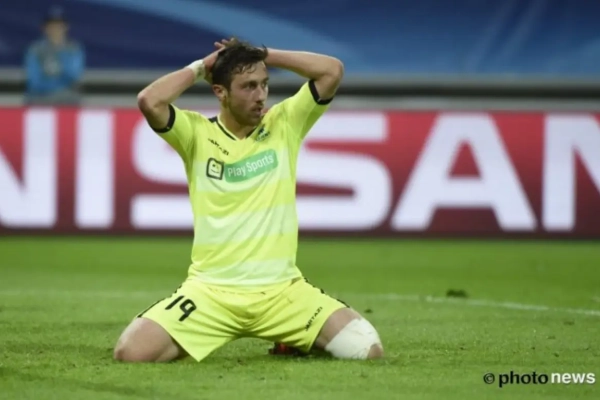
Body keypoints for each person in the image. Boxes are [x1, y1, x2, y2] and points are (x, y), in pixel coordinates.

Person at [113, 38, 384, 363]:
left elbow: (331, 71)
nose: (260, 96)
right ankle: (297, 337)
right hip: (211, 293)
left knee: (367, 349)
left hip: (283, 292)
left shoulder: (284, 123)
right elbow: (149, 100)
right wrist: (201, 67)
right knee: (132, 353)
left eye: (264, 84)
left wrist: (263, 54)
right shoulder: (196, 133)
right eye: (248, 86)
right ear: (221, 92)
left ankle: (294, 338)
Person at [23, 7, 85, 105]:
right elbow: (34, 81)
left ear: (66, 27)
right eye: (51, 26)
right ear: (44, 28)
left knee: (72, 97)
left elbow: (73, 75)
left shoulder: (73, 49)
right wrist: (53, 87)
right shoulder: (35, 49)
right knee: (32, 98)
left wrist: (61, 52)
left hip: (67, 98)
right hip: (40, 97)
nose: (55, 29)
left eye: (59, 26)